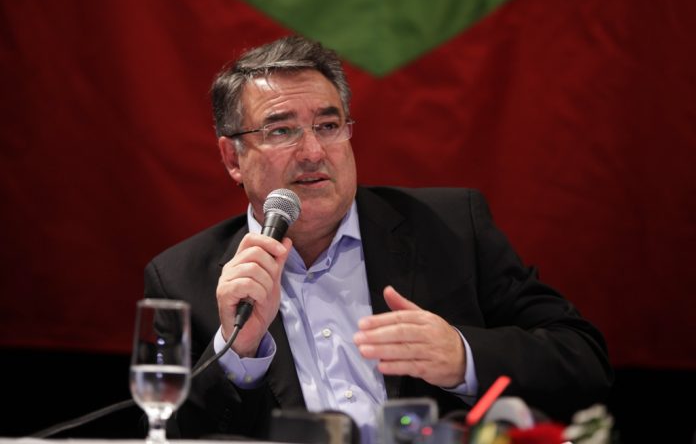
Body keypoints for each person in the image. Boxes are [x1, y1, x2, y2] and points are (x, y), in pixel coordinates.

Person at [144, 35, 613, 443]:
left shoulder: (451, 228)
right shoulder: (183, 279)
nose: (313, 152)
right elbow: (173, 434)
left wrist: (462, 357)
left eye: (328, 126)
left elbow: (583, 360)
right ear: (232, 158)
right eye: (281, 130)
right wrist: (239, 353)